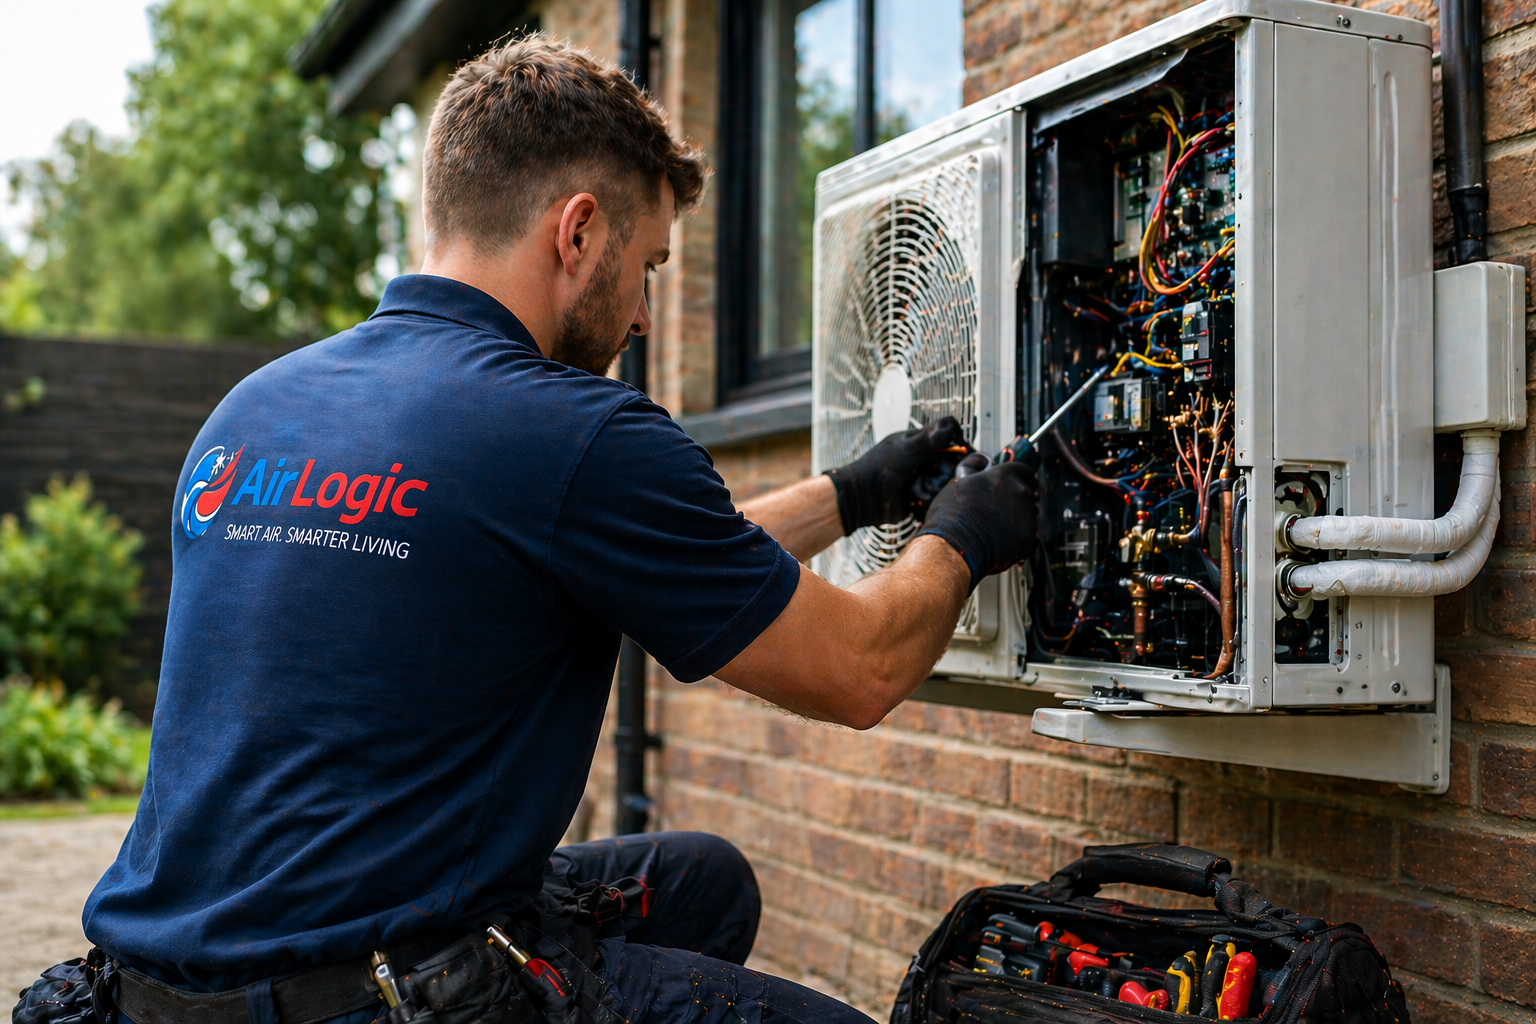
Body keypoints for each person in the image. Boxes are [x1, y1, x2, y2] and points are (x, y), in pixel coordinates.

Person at [79, 34, 1038, 1024]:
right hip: (368, 998)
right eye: (648, 266)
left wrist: (851, 492)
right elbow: (861, 666)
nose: (643, 317)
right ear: (576, 232)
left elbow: (586, 553)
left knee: (704, 882)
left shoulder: (257, 406)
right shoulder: (573, 432)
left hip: (156, 987)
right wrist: (967, 533)